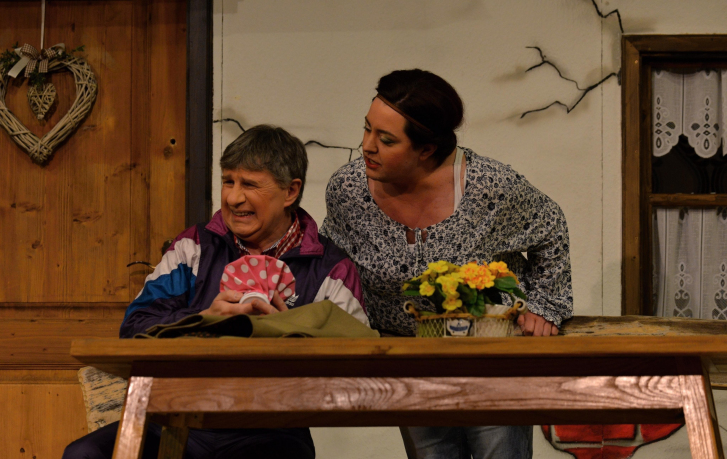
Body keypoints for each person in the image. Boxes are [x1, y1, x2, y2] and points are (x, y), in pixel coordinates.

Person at [63, 125, 368, 459]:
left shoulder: (331, 270)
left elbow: (358, 371)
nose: (233, 198)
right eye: (228, 181)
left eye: (249, 184)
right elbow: (134, 328)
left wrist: (290, 336)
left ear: (290, 191)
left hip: (274, 428)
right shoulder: (192, 247)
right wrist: (202, 320)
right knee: (85, 454)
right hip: (175, 418)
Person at [321, 69, 573, 459]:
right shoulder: (348, 190)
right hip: (408, 361)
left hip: (490, 359)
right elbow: (332, 260)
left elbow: (550, 227)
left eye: (386, 139)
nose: (367, 146)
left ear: (426, 149)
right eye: (367, 129)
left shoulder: (490, 187)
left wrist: (545, 306)